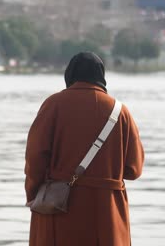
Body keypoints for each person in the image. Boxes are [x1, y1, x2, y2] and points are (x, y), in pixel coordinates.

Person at [24, 52, 144, 246]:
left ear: (70, 75)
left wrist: (33, 194)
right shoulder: (120, 112)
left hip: (60, 208)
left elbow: (36, 156)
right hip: (108, 213)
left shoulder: (54, 104)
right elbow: (134, 170)